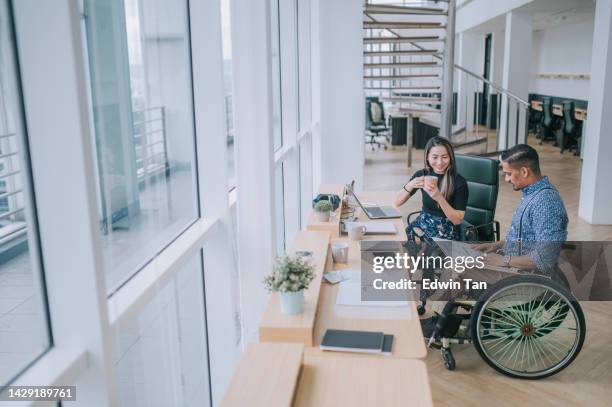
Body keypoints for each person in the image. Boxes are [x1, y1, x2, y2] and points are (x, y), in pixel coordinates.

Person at [474, 144, 568, 273]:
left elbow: (545, 258)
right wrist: (497, 245)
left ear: (524, 171)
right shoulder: (532, 193)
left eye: (509, 174)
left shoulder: (546, 203)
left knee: (458, 270)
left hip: (523, 276)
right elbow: (525, 239)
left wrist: (503, 261)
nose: (506, 179)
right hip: (513, 266)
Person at [394, 136, 468, 242]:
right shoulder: (422, 174)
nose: (440, 162)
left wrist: (439, 198)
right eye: (435, 157)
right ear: (427, 157)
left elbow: (457, 220)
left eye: (444, 157)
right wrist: (410, 185)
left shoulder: (459, 182)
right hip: (423, 223)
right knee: (399, 244)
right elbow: (397, 201)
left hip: (446, 230)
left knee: (421, 252)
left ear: (450, 157)